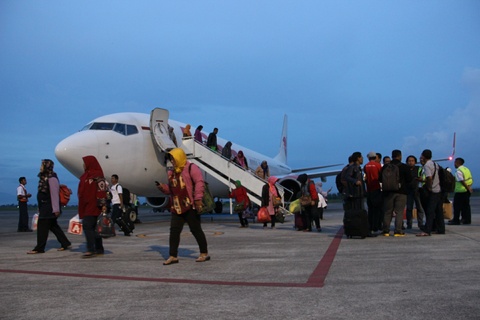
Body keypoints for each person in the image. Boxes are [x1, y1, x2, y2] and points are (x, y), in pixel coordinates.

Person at [156, 148, 210, 265]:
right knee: (174, 231)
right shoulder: (172, 172)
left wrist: (198, 199)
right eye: (170, 159)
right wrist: (162, 187)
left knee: (196, 230)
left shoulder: (191, 168)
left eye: (173, 158)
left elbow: (199, 182)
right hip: (177, 206)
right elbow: (172, 190)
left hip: (190, 205)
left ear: (179, 157)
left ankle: (204, 253)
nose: (172, 161)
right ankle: (173, 255)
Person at [27, 159, 71, 254]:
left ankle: (40, 248)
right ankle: (65, 243)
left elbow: (54, 194)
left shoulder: (52, 178)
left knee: (42, 227)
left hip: (49, 207)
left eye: (42, 165)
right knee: (53, 226)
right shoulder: (44, 177)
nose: (40, 167)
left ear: (47, 166)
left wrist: (56, 209)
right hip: (44, 206)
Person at [77, 155, 106, 258]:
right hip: (86, 205)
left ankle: (91, 248)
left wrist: (102, 204)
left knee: (87, 226)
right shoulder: (86, 175)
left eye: (85, 163)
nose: (83, 165)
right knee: (94, 228)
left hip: (94, 205)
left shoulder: (97, 175)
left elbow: (102, 190)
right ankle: (99, 248)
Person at [379, 150, 412, 237]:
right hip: (401, 192)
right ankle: (398, 230)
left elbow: (380, 179)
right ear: (400, 156)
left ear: (392, 156)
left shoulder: (385, 167)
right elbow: (409, 179)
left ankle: (386, 230)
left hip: (388, 192)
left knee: (387, 212)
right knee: (399, 212)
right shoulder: (404, 167)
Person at [417, 149, 445, 237]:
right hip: (438, 189)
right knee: (438, 211)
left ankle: (427, 230)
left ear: (423, 156)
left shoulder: (427, 165)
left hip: (433, 191)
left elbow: (429, 177)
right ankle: (441, 229)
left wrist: (428, 187)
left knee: (430, 211)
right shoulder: (435, 164)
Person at [449, 157, 473, 225]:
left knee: (457, 206)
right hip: (467, 191)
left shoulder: (458, 170)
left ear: (457, 163)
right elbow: (470, 179)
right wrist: (469, 188)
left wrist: (467, 188)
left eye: (455, 162)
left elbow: (461, 181)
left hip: (461, 191)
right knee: (466, 207)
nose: (454, 164)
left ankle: (456, 220)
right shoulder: (466, 169)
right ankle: (466, 220)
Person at [364, 151, 383, 233]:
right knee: (377, 209)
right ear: (375, 157)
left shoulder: (366, 166)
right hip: (376, 188)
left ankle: (370, 226)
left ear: (368, 158)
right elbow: (381, 176)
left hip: (369, 189)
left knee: (370, 209)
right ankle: (376, 226)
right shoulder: (378, 165)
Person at [406, 155, 425, 230]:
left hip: (417, 191)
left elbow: (422, 177)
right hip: (408, 191)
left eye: (412, 161)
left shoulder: (419, 169)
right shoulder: (406, 169)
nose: (410, 162)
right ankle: (409, 224)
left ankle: (420, 224)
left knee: (420, 208)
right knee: (409, 208)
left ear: (415, 162)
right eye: (409, 161)